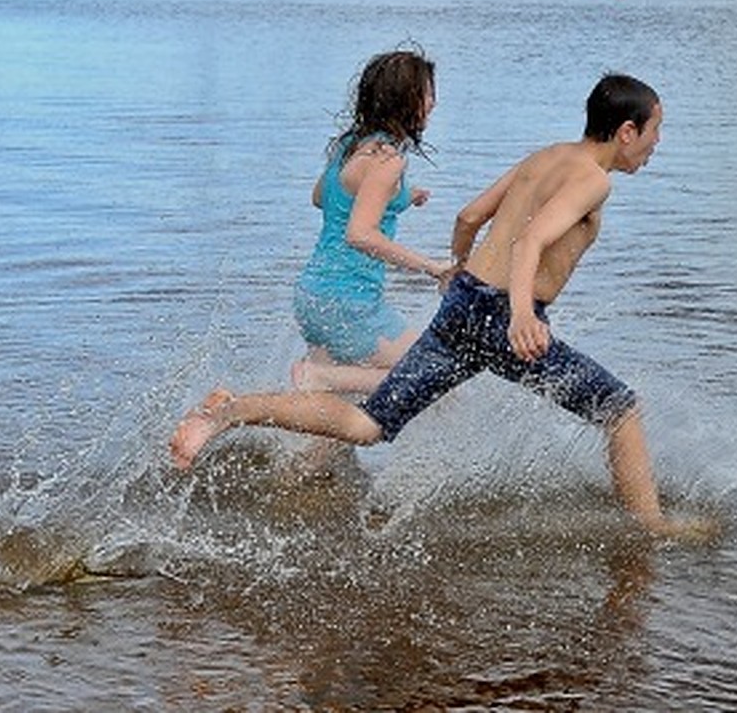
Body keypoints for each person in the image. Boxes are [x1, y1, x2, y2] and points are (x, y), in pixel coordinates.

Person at [171, 73, 705, 539]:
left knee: (370, 425)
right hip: (504, 317)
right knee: (620, 410)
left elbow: (471, 216)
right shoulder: (591, 179)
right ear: (627, 131)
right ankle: (651, 528)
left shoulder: (545, 157)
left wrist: (458, 269)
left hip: (464, 305)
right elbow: (530, 242)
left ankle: (232, 410)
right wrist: (521, 314)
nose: (657, 144)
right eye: (655, 131)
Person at [288, 48, 453, 396]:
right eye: (427, 93)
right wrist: (432, 268)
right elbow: (360, 234)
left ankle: (235, 415)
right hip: (349, 302)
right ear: (406, 100)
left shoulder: (350, 145)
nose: (433, 103)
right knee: (433, 373)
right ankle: (319, 377)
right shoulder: (387, 160)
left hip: (313, 297)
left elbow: (323, 197)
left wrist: (402, 196)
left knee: (329, 428)